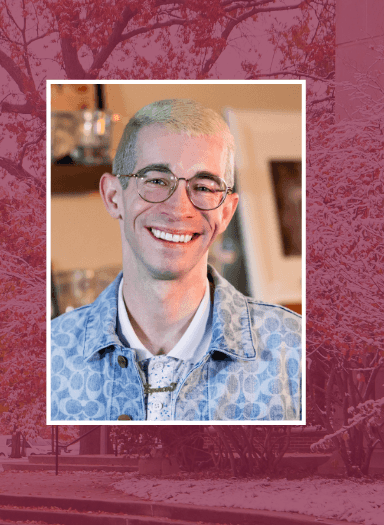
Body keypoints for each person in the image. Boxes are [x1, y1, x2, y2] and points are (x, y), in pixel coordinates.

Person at [48, 98, 303, 422]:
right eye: (156, 180)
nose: (179, 208)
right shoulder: (46, 357)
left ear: (225, 212)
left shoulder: (297, 352)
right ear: (114, 197)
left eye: (204, 186)